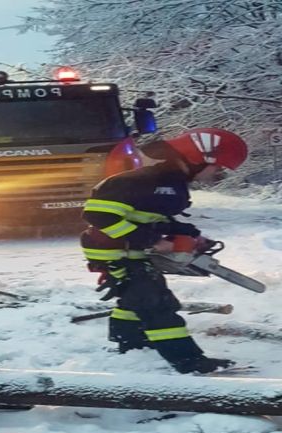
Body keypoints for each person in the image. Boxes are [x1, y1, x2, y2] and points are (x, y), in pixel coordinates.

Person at [80, 128, 248, 374]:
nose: (219, 173)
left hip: (130, 252)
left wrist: (189, 233)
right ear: (199, 158)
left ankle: (131, 345)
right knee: (157, 305)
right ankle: (188, 362)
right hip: (117, 253)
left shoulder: (167, 184)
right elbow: (98, 215)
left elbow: (152, 219)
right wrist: (153, 240)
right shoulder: (141, 182)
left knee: (136, 298)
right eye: (218, 167)